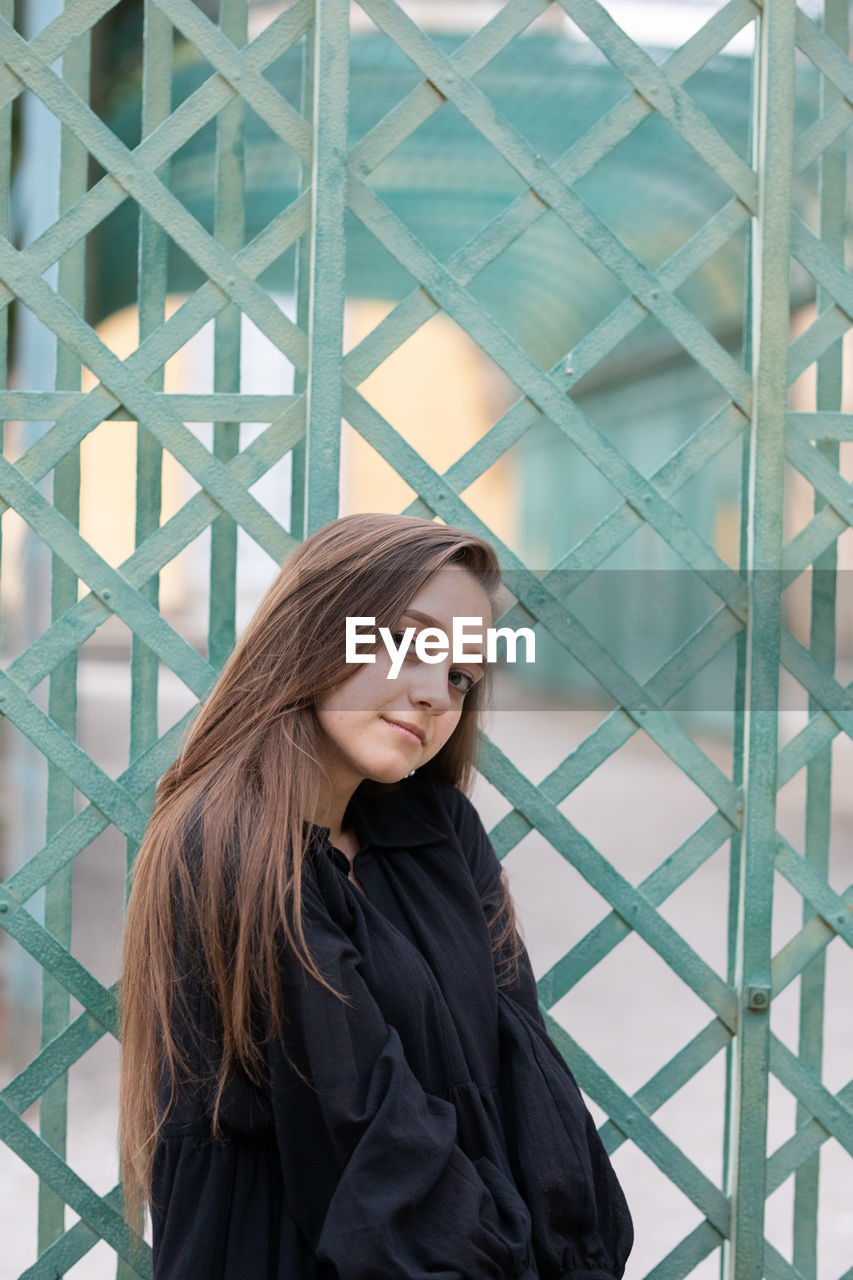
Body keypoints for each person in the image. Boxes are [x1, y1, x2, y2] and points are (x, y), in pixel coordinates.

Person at [119, 512, 633, 1279]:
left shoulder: (433, 829)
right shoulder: (231, 847)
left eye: (460, 674)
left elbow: (526, 1064)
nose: (434, 693)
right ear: (314, 630)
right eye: (404, 641)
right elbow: (358, 1127)